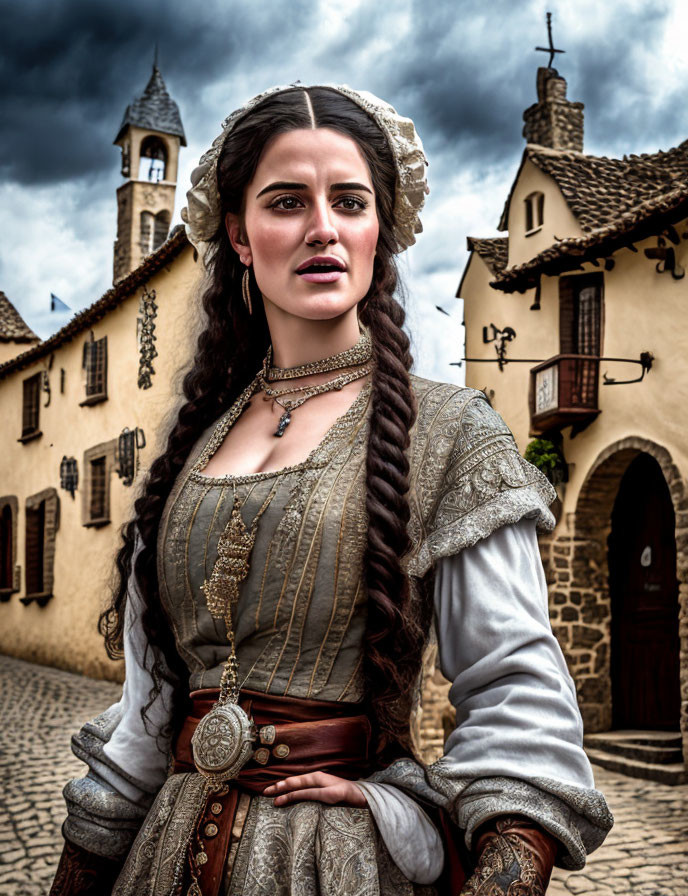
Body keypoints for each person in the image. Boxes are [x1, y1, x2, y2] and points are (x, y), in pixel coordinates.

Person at [49, 84, 613, 896]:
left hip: (337, 861)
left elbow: (517, 703)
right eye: (287, 202)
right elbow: (145, 722)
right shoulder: (189, 451)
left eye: (349, 201)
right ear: (239, 235)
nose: (323, 228)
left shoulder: (450, 432)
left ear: (379, 228)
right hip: (163, 855)